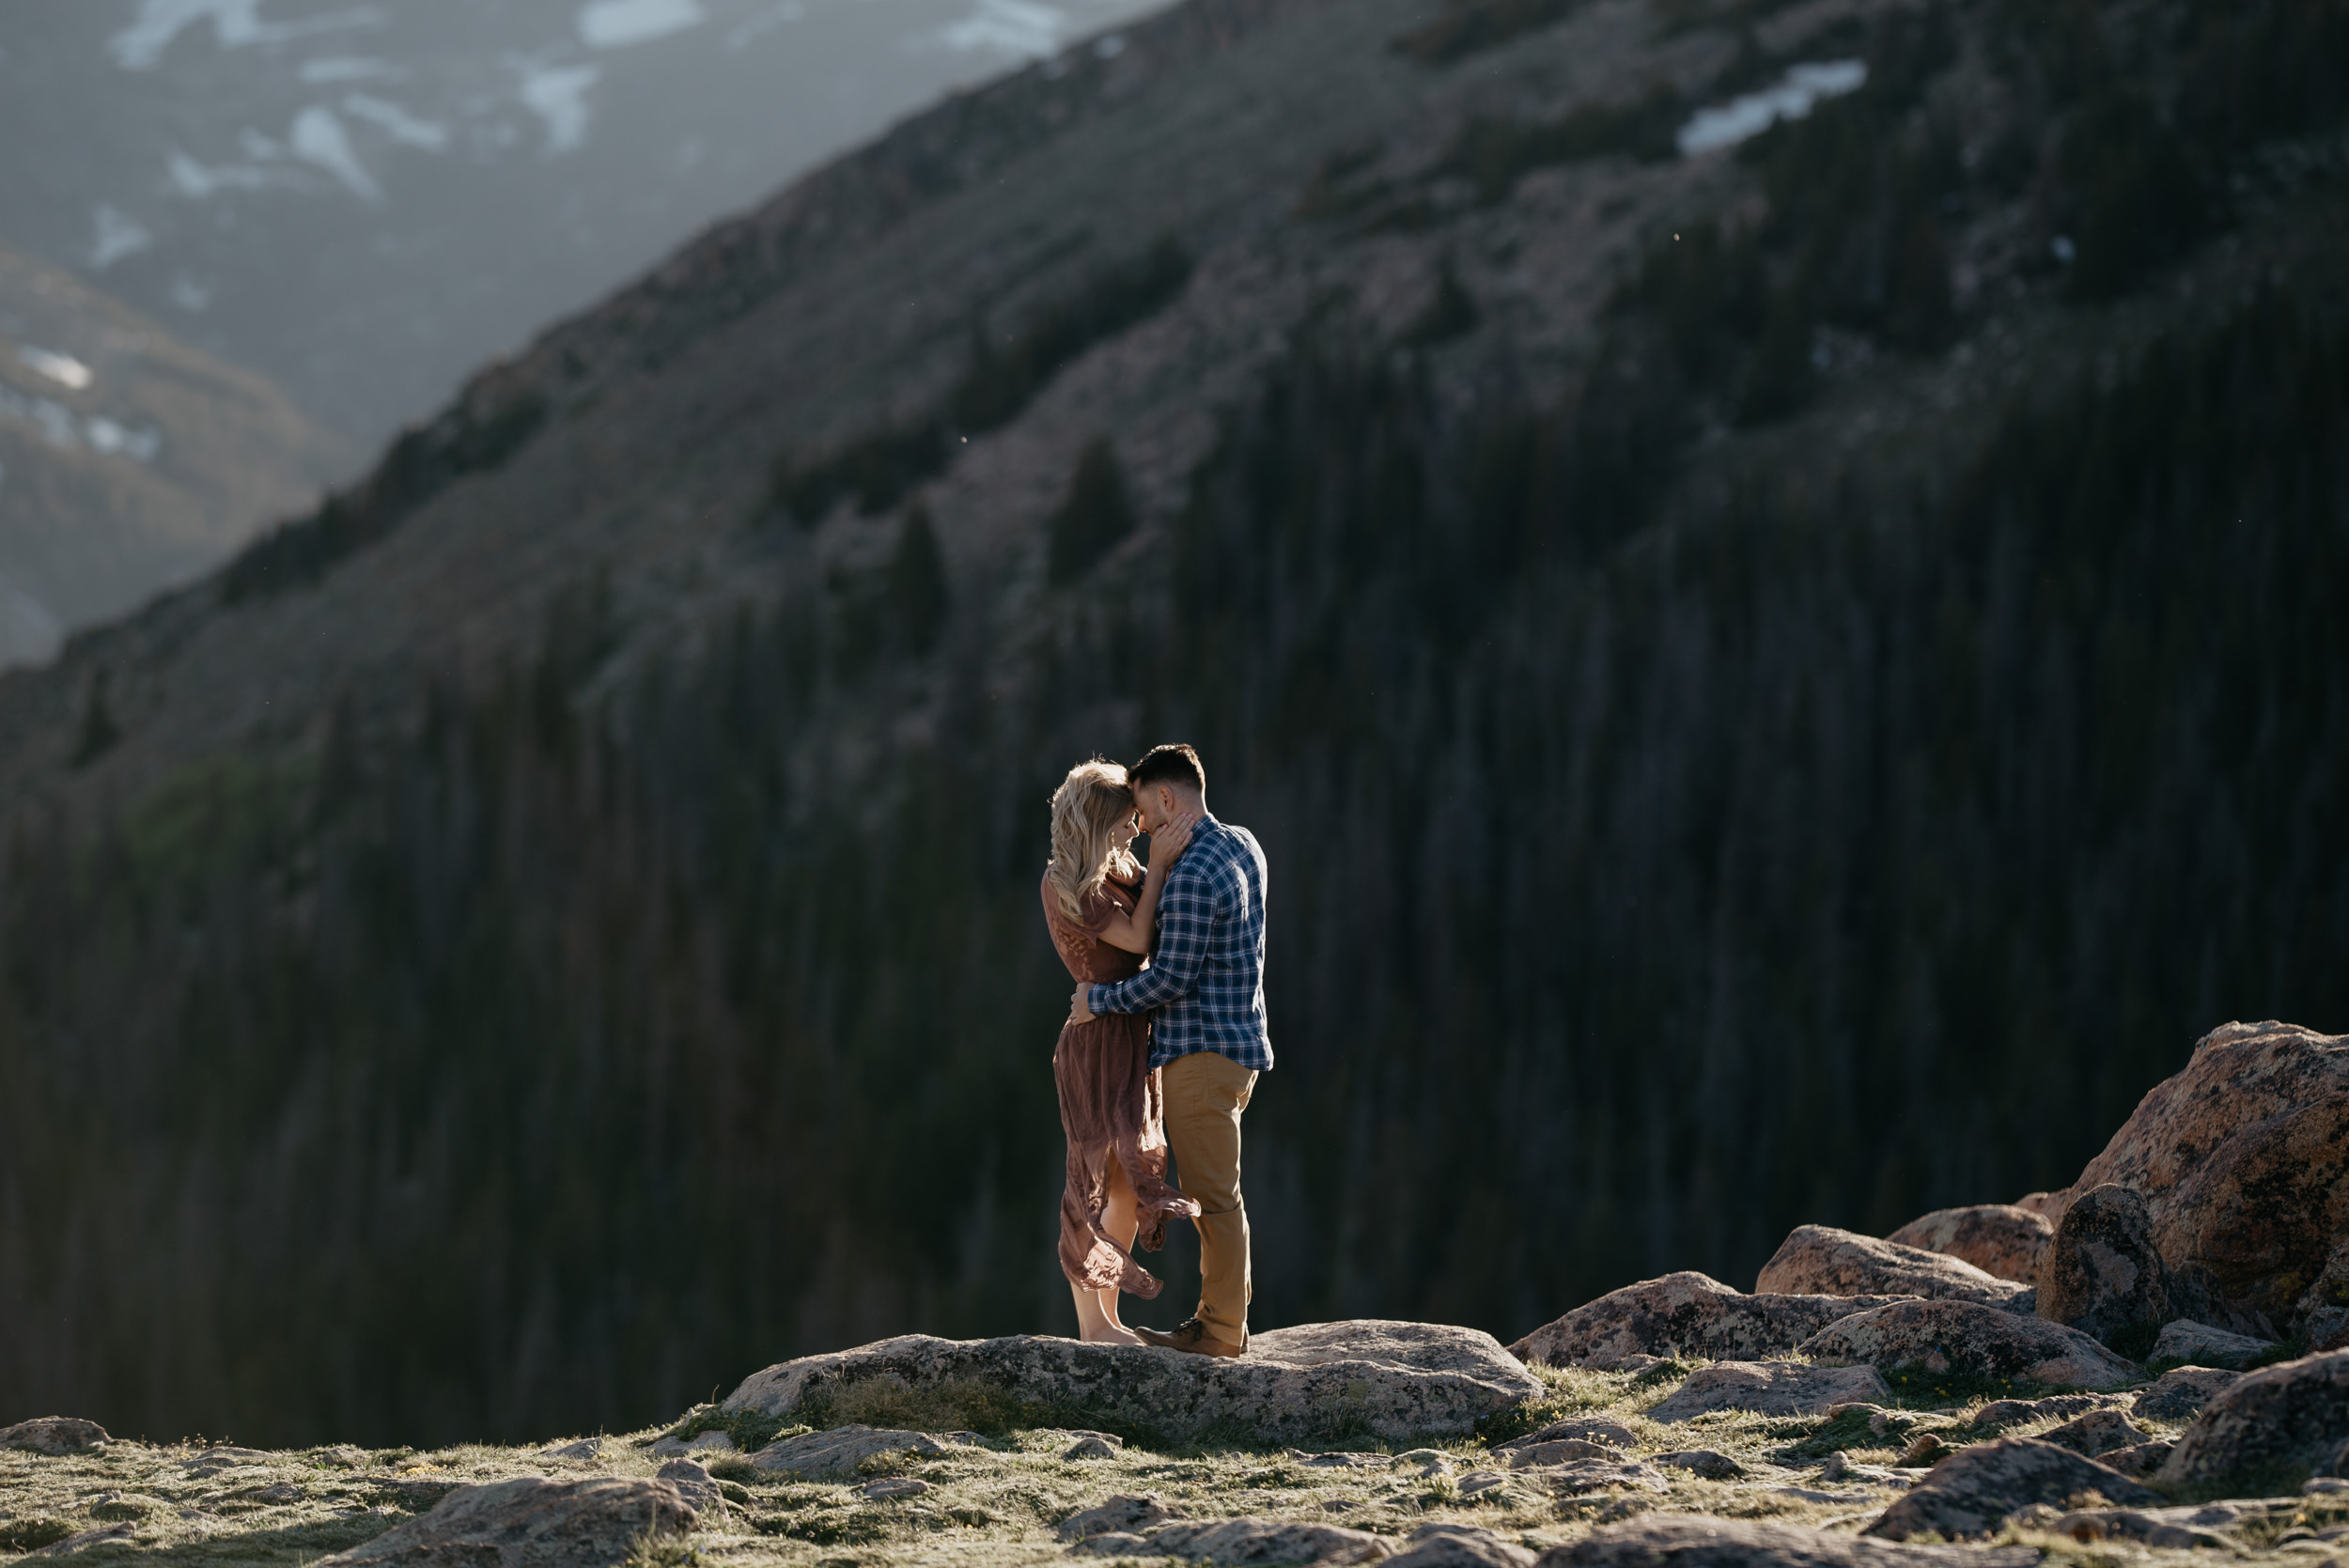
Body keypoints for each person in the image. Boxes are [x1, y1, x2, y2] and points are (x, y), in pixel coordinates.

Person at [1068, 743, 1270, 1358]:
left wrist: (1096, 1002)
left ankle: (1218, 1332)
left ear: (1166, 797)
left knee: (1213, 1195)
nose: (1143, 830)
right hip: (1238, 1047)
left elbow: (1169, 979)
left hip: (1199, 1056)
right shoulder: (1243, 844)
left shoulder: (1188, 874)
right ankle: (1219, 1322)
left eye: (1145, 814)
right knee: (1218, 1190)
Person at [1040, 758, 1204, 1344]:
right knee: (1093, 1180)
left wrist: (1157, 859)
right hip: (1096, 1040)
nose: (1135, 829)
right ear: (1098, 820)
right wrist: (1159, 867)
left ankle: (1104, 1319)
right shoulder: (1067, 881)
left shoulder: (1119, 868)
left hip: (1131, 1032)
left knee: (1131, 1182)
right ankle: (1094, 1325)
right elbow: (1136, 939)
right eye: (1127, 819)